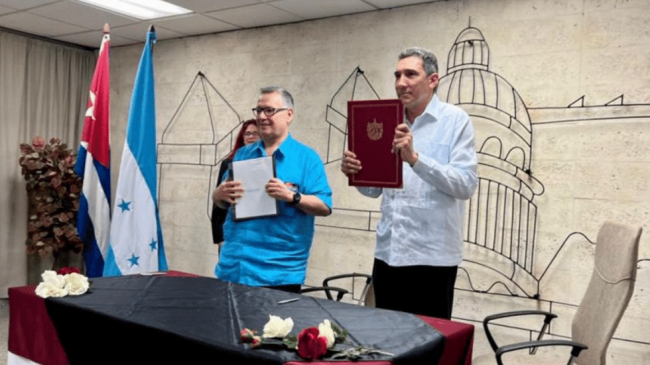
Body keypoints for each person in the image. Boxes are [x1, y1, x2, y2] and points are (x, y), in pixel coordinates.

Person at [341, 47, 478, 319]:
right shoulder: (385, 119)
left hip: (432, 259)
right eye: (397, 75)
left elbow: (466, 185)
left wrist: (415, 159)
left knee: (428, 343)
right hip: (388, 254)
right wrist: (356, 174)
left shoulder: (455, 121)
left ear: (433, 80)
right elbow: (374, 190)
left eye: (410, 74)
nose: (400, 83)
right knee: (387, 342)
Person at [213, 86, 332, 293]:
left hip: (278, 273)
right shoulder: (242, 154)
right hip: (235, 267)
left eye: (269, 110)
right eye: (258, 110)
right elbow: (221, 201)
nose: (261, 116)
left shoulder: (307, 158)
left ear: (289, 115)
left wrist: (292, 197)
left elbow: (324, 206)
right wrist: (219, 195)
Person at [211, 119, 260, 247]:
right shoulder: (229, 163)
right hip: (231, 232)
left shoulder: (270, 164)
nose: (250, 137)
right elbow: (218, 203)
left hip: (260, 233)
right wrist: (219, 237)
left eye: (255, 133)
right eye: (247, 133)